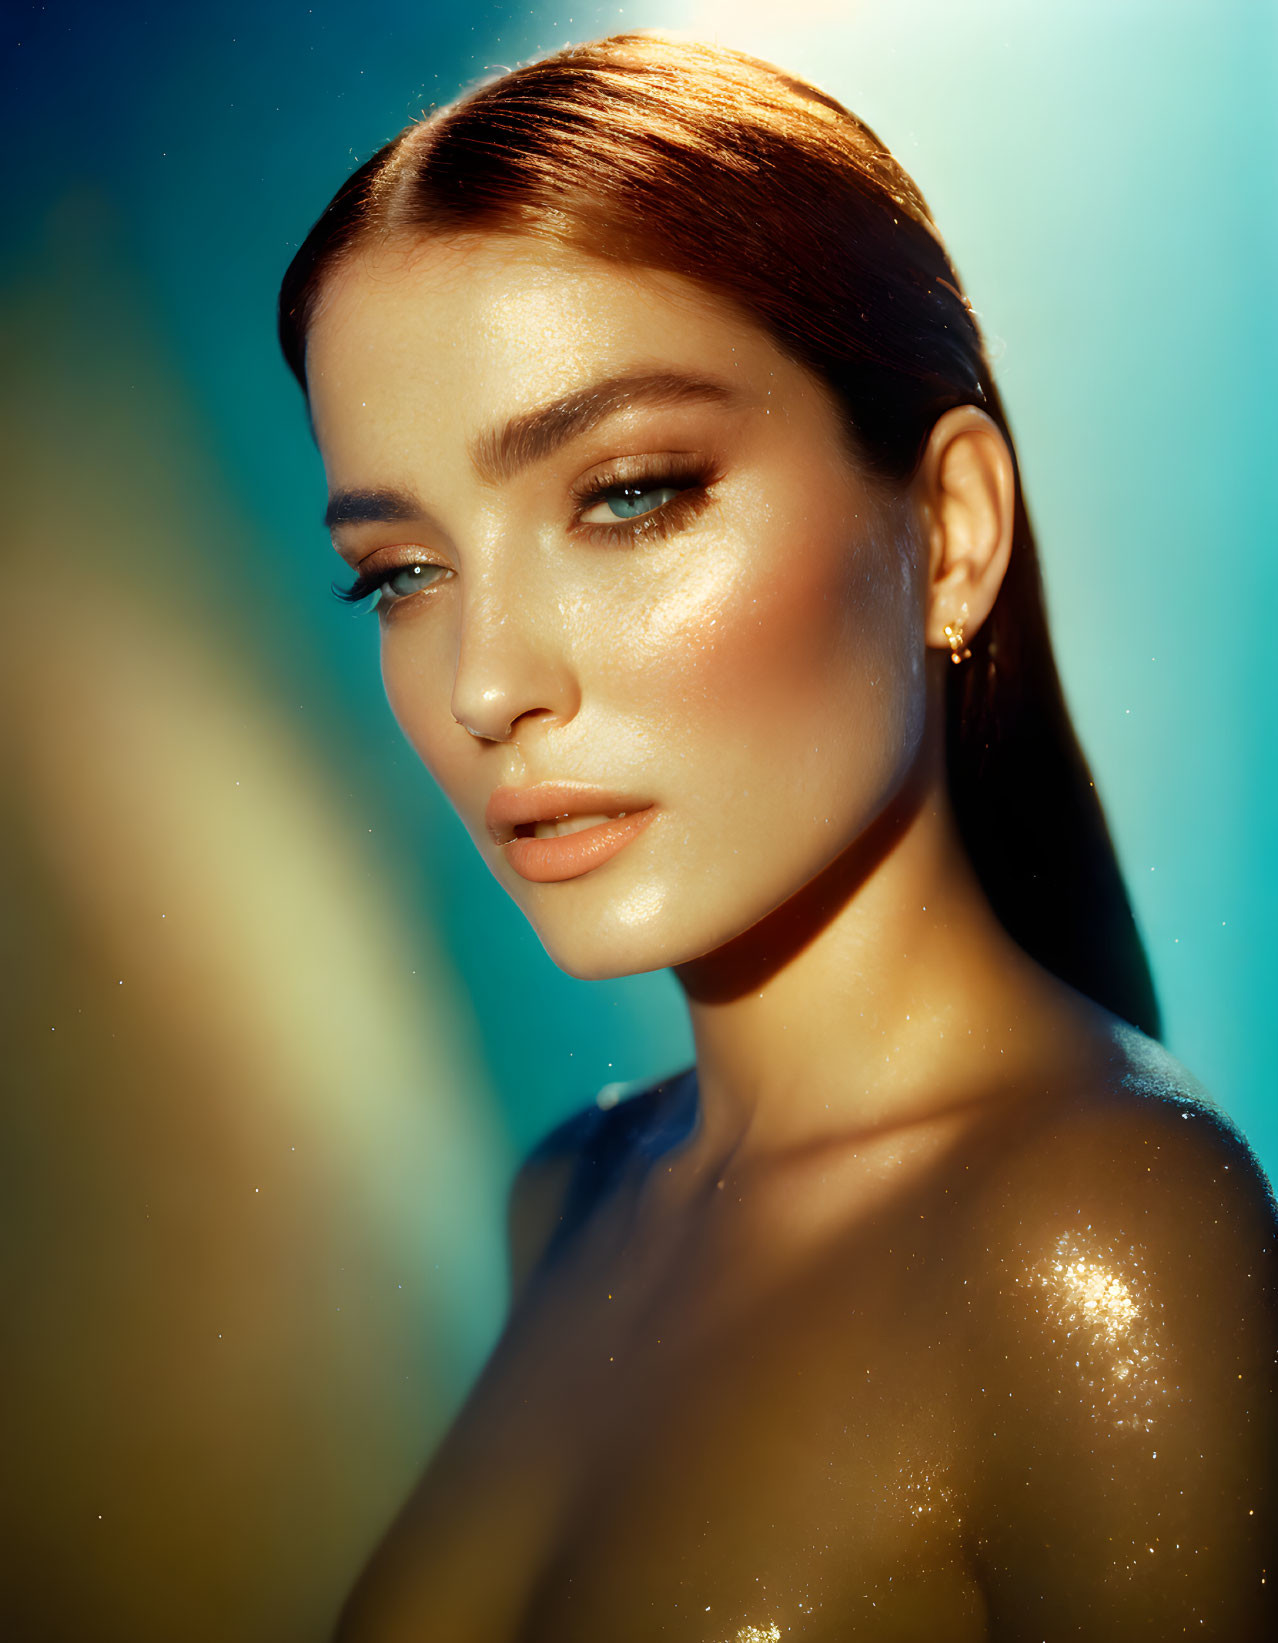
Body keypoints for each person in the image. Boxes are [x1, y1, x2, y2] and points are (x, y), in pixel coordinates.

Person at [277, 30, 1277, 1641]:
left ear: (946, 532)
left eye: (628, 494)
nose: (484, 684)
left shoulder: (1096, 1243)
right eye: (402, 571)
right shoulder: (576, 1192)